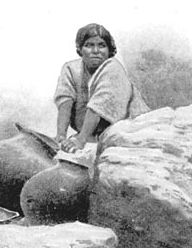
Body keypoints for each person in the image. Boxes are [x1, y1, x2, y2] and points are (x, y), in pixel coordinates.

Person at [53, 23, 150, 153]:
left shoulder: (113, 68)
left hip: (131, 132)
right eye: (89, 45)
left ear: (109, 50)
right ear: (80, 49)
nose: (95, 51)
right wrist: (60, 137)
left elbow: (99, 105)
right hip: (94, 136)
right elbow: (65, 101)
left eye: (101, 45)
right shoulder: (71, 69)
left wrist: (81, 140)